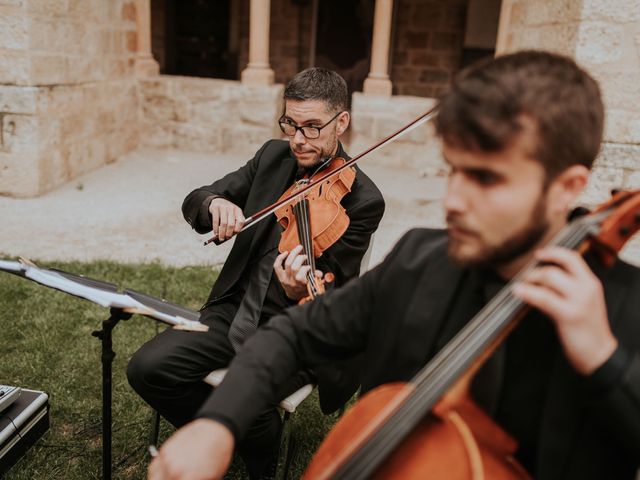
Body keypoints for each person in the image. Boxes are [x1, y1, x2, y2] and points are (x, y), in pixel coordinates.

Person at [148, 51, 640, 480]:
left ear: (568, 187)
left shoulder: (624, 309)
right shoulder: (420, 258)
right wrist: (220, 422)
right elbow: (294, 334)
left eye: (487, 179)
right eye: (453, 170)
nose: (453, 201)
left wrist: (605, 363)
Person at [127, 67, 385, 479]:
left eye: (313, 127)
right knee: (147, 368)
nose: (298, 139)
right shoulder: (272, 156)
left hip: (297, 331)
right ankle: (251, 434)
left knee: (254, 383)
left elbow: (336, 295)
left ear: (342, 122)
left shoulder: (363, 200)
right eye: (291, 124)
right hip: (234, 312)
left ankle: (256, 453)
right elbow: (196, 198)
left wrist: (299, 288)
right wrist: (215, 204)